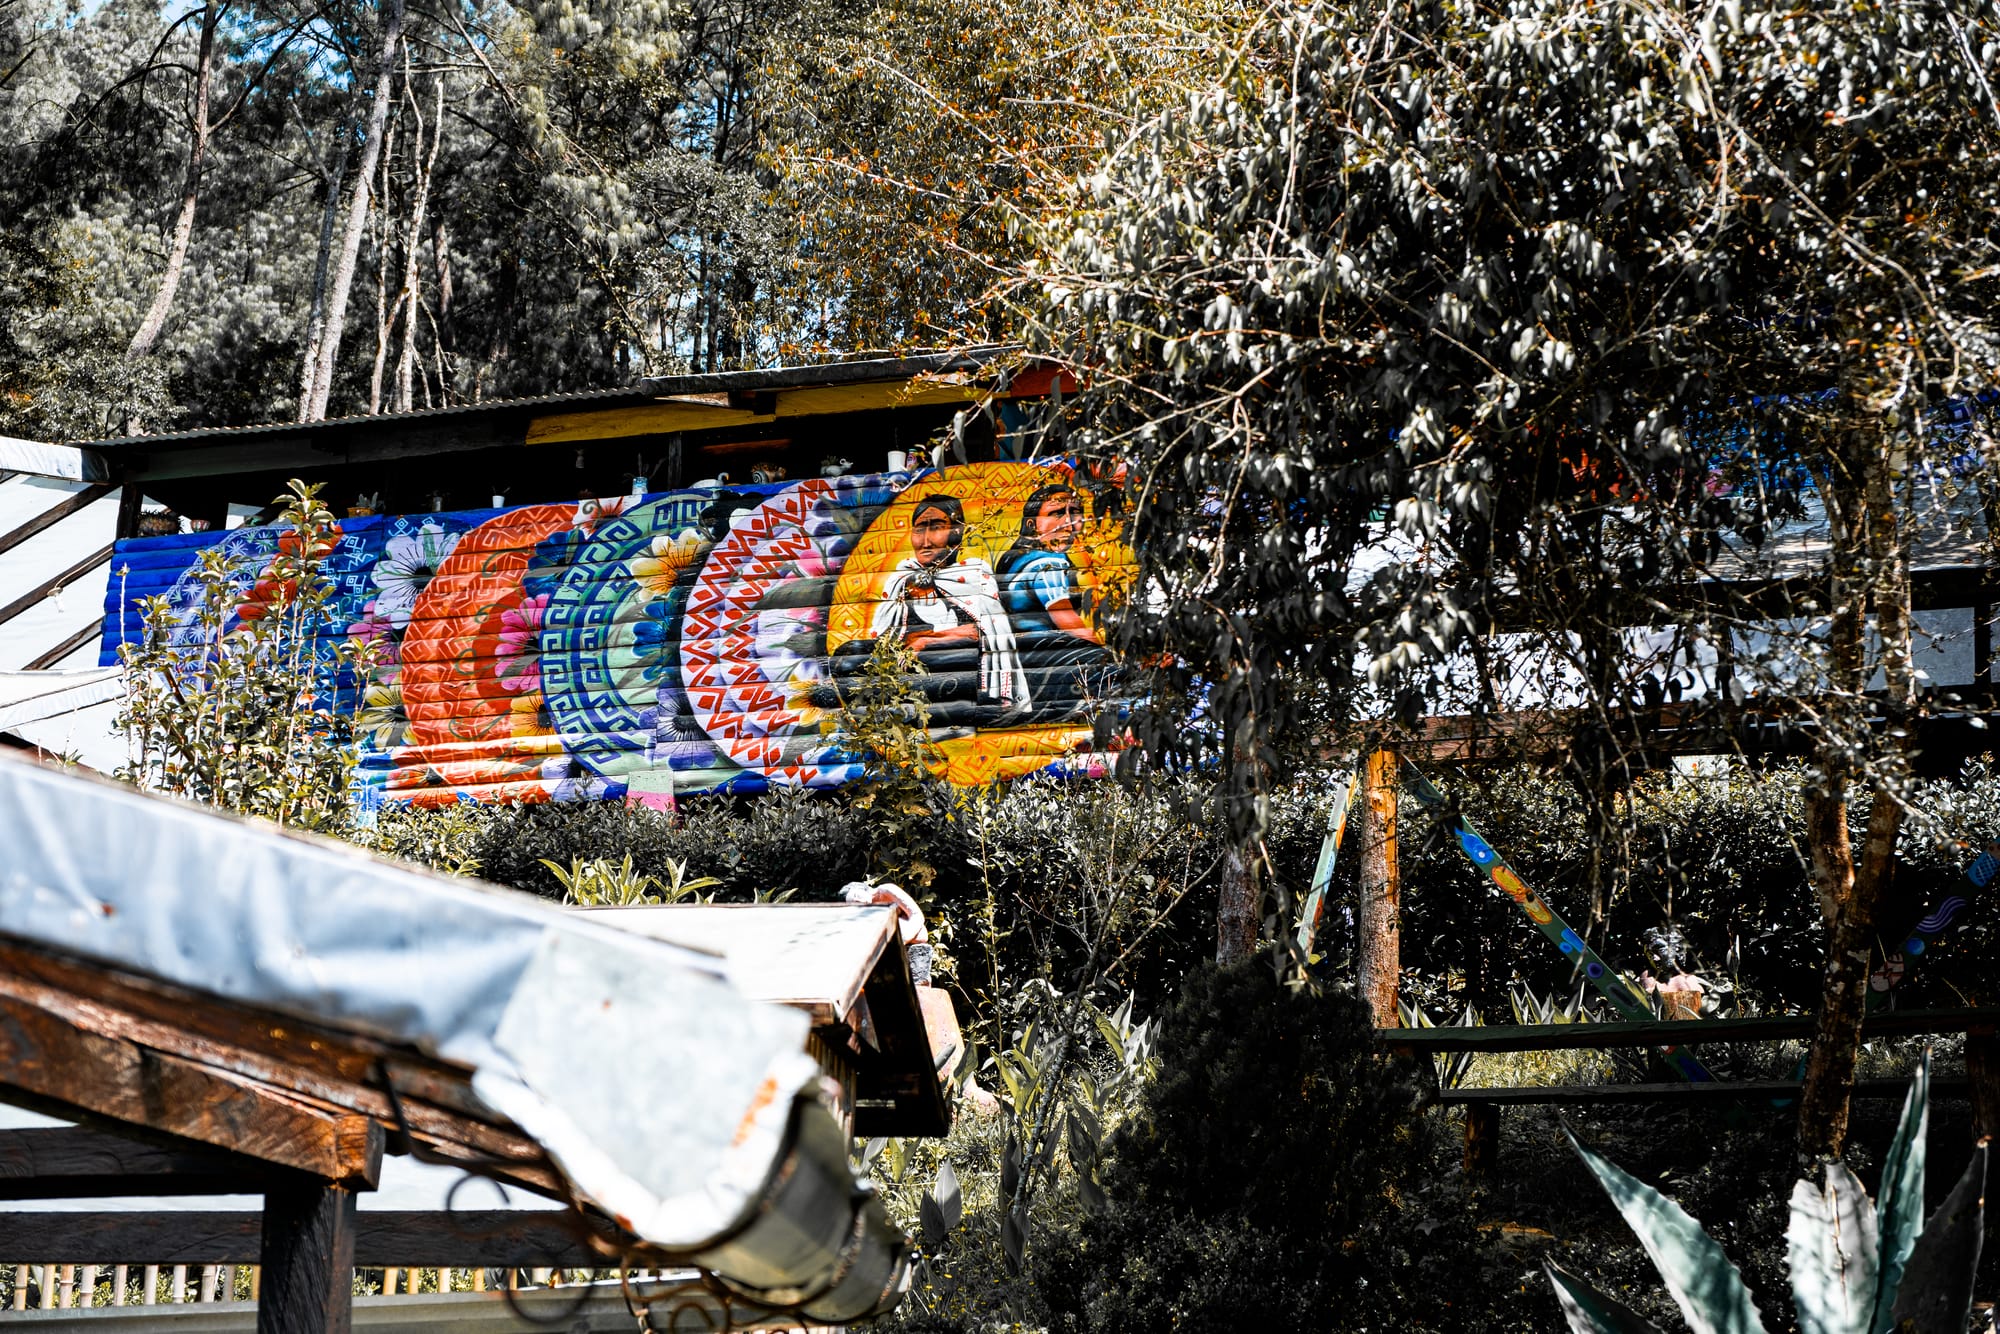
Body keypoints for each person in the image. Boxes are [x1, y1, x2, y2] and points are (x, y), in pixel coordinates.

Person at [839, 494, 1029, 723]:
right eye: (919, 529)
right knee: (847, 656)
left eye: (937, 527)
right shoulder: (902, 576)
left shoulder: (974, 574)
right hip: (908, 661)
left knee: (934, 661)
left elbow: (978, 633)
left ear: (956, 532)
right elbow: (886, 636)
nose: (926, 540)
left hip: (956, 662)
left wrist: (925, 640)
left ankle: (915, 711)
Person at [994, 483, 1117, 719]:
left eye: (1075, 511)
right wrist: (1108, 647)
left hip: (1027, 655)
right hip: (1046, 653)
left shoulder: (1014, 558)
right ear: (1032, 524)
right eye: (1057, 512)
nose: (1069, 521)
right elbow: (1065, 619)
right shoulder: (1046, 563)